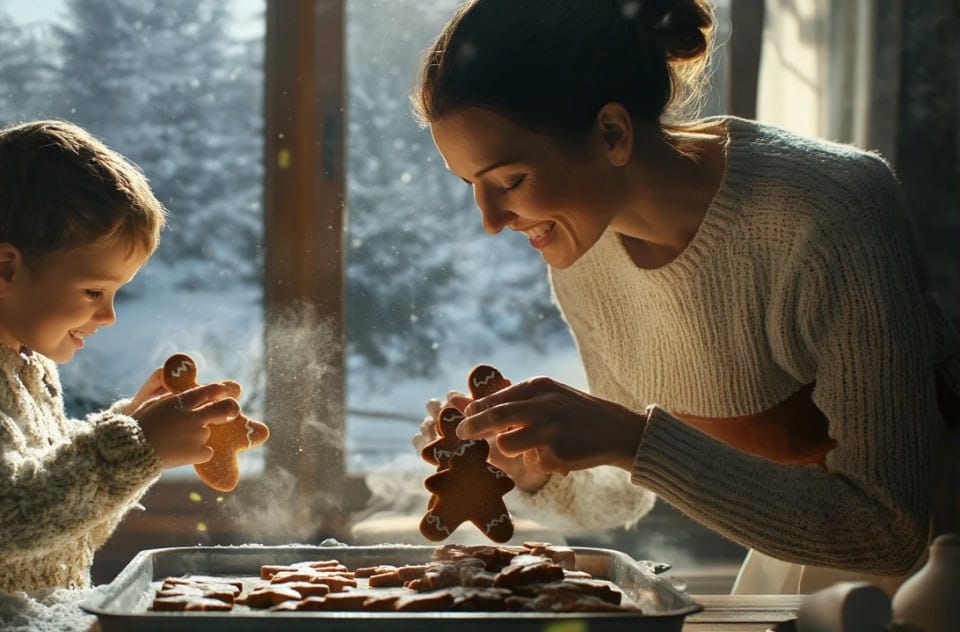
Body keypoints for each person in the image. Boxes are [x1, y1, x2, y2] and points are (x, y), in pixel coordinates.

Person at [410, 0, 960, 594]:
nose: (490, 220)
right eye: (473, 187)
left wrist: (628, 436)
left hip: (931, 586)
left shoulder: (827, 212)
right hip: (805, 578)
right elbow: (626, 491)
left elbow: (887, 528)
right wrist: (532, 470)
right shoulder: (584, 254)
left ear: (612, 133)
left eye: (509, 181)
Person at [0, 120, 250, 598]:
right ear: (6, 270)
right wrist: (134, 448)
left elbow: (70, 522)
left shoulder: (28, 366)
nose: (109, 315)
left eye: (115, 293)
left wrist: (133, 429)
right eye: (95, 290)